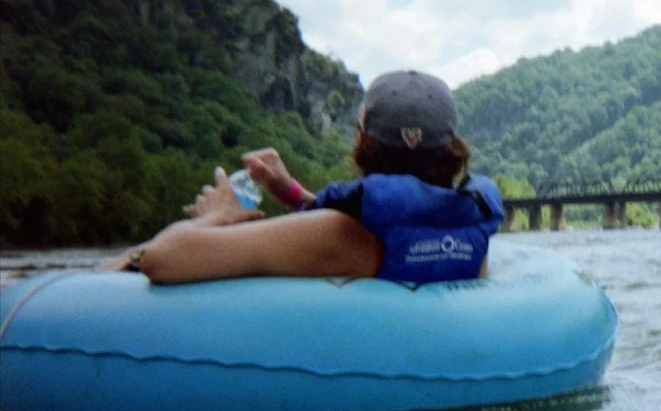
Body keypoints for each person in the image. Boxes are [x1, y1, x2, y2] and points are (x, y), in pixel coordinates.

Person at [102, 70, 504, 285]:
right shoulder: (466, 229)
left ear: (363, 141)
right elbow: (390, 221)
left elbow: (163, 259)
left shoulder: (336, 236)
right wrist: (291, 192)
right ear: (452, 149)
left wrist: (215, 217)